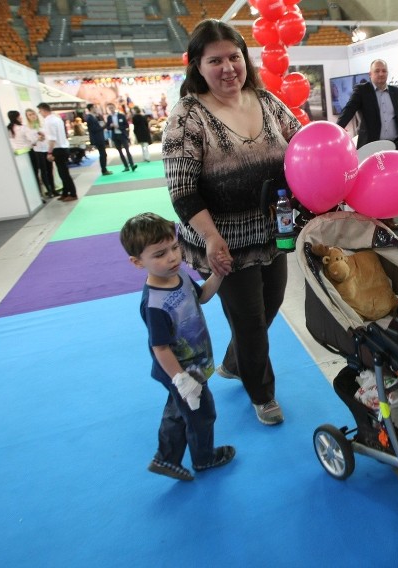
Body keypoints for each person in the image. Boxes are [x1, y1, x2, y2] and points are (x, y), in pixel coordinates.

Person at [162, 19, 301, 426]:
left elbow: (301, 150)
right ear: (198, 67)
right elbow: (181, 189)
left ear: (246, 58)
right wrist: (210, 237)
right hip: (222, 241)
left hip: (276, 231)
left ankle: (234, 361)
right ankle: (263, 394)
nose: (228, 68)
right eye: (215, 60)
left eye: (234, 56)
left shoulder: (269, 101)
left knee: (271, 304)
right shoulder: (187, 115)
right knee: (251, 320)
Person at [120, 212, 235, 481]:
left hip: (193, 364)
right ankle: (204, 459)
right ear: (138, 262)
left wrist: (217, 275)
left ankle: (166, 459)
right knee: (201, 415)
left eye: (174, 247)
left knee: (177, 412)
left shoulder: (180, 276)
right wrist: (181, 380)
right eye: (159, 254)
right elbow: (160, 348)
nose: (172, 257)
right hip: (181, 372)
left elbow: (202, 296)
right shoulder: (155, 304)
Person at [337, 59, 398, 231]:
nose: (381, 74)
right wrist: (336, 131)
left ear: (387, 73)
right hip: (370, 147)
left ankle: (388, 219)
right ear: (370, 74)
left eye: (384, 71)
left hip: (392, 148)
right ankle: (366, 221)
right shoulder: (362, 91)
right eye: (377, 71)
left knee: (391, 185)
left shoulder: (396, 92)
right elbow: (348, 111)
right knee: (367, 185)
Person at [37, 102, 78, 202]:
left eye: (40, 111)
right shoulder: (57, 119)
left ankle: (72, 193)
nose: (40, 113)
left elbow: (52, 139)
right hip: (63, 148)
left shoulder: (49, 121)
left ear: (43, 110)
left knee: (63, 173)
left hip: (58, 149)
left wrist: (49, 152)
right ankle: (65, 192)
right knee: (62, 172)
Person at [7, 110, 48, 199]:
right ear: (17, 117)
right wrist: (38, 138)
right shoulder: (23, 128)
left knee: (26, 175)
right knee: (35, 173)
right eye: (20, 116)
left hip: (18, 154)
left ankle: (32, 195)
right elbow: (32, 139)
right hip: (29, 153)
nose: (21, 118)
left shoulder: (9, 129)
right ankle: (39, 194)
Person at [24, 108, 57, 197]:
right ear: (27, 117)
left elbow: (49, 137)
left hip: (46, 149)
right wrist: (37, 139)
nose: (32, 116)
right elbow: (31, 142)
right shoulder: (27, 128)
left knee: (50, 170)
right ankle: (48, 190)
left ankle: (53, 189)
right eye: (30, 115)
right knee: (43, 171)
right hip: (37, 151)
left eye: (33, 114)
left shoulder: (42, 125)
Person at [106, 103, 137, 172]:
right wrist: (110, 126)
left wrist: (119, 127)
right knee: (120, 152)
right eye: (109, 108)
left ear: (114, 107)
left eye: (112, 107)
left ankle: (132, 165)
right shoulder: (109, 117)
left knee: (127, 150)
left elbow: (126, 125)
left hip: (122, 135)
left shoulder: (121, 115)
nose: (111, 109)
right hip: (115, 136)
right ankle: (126, 166)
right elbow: (107, 127)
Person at [85, 103, 112, 175]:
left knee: (103, 153)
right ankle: (104, 169)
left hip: (100, 136)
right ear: (91, 108)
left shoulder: (95, 117)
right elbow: (93, 129)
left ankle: (104, 169)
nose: (96, 109)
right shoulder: (89, 118)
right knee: (103, 153)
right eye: (94, 107)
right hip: (97, 138)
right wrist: (103, 127)